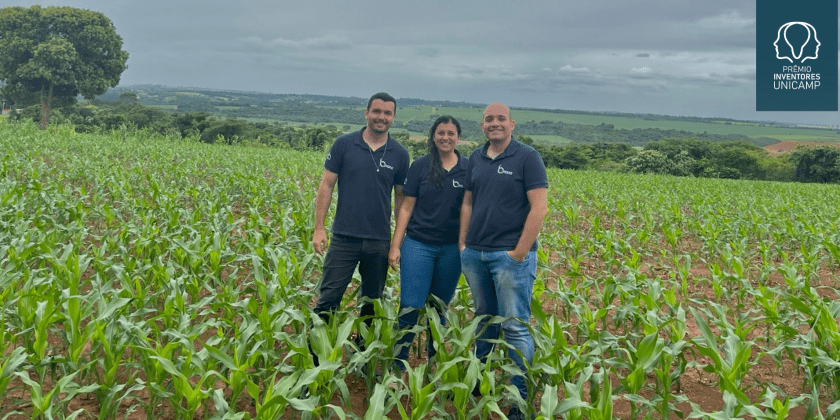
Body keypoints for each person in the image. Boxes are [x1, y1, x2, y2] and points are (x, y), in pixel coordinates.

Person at [459, 102, 548, 420]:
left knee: (514, 327)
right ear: (482, 126)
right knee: (483, 320)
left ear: (512, 124)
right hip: (475, 254)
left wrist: (520, 253)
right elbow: (468, 202)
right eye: (488, 119)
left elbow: (539, 207)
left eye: (500, 119)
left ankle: (519, 403)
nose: (494, 123)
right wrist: (463, 245)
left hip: (510, 256)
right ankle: (477, 382)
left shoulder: (527, 157)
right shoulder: (475, 158)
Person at [310, 92, 409, 360]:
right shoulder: (344, 144)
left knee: (371, 303)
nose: (382, 117)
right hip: (344, 237)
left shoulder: (400, 154)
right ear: (366, 113)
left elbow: (402, 200)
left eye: (387, 113)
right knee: (328, 299)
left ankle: (361, 357)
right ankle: (315, 358)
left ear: (393, 117)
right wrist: (319, 228)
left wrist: (397, 244)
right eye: (377, 111)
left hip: (379, 241)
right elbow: (327, 185)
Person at [388, 115, 467, 373]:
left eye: (451, 133)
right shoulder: (420, 166)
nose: (445, 137)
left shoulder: (467, 168)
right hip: (418, 245)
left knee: (439, 308)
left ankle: (434, 362)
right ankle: (399, 360)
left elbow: (471, 208)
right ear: (433, 136)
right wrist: (395, 245)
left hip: (450, 250)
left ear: (458, 137)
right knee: (411, 303)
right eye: (441, 132)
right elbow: (406, 207)